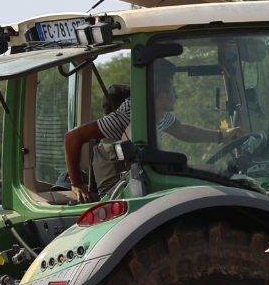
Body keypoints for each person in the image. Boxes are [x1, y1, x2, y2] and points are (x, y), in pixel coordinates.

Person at [64, 62, 242, 201]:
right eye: (173, 90)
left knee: (212, 172)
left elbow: (184, 131)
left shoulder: (159, 113)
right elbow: (72, 137)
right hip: (137, 189)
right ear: (162, 96)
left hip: (150, 181)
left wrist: (222, 136)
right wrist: (77, 183)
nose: (177, 96)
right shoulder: (129, 114)